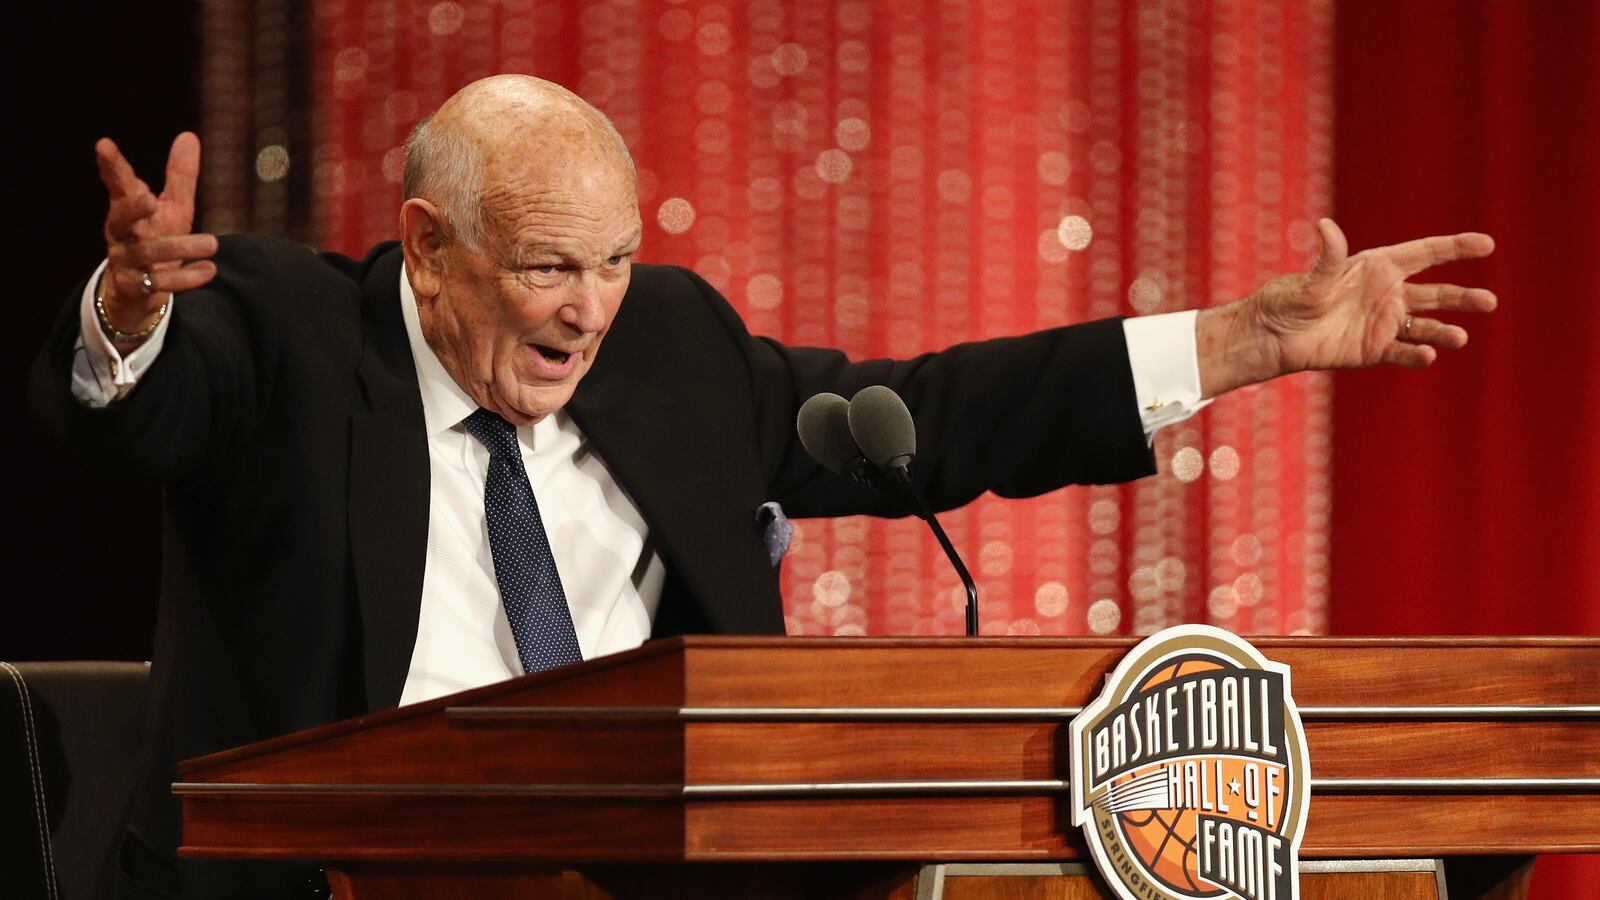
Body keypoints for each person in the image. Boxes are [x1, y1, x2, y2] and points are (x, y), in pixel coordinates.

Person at [30, 75, 1495, 899]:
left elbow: (930, 418)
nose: (587, 312)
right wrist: (131, 319)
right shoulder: (287, 333)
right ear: (426, 245)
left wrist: (1248, 338)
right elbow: (142, 412)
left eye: (609, 263)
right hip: (352, 883)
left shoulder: (669, 345)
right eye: (546, 267)